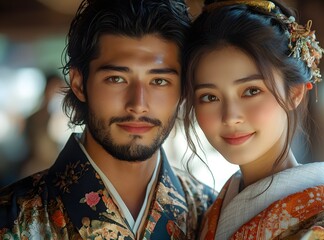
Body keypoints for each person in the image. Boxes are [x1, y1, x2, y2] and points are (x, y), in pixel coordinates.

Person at [0, 0, 216, 239]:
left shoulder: (209, 212)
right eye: (117, 79)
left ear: (183, 88)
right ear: (79, 84)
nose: (138, 105)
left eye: (159, 81)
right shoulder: (13, 219)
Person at [182, 0, 324, 239]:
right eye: (209, 96)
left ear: (294, 93)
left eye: (251, 91)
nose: (231, 116)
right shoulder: (208, 211)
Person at [20, 73, 65, 177]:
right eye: (55, 89)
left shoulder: (59, 116)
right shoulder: (35, 118)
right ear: (47, 89)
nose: (57, 94)